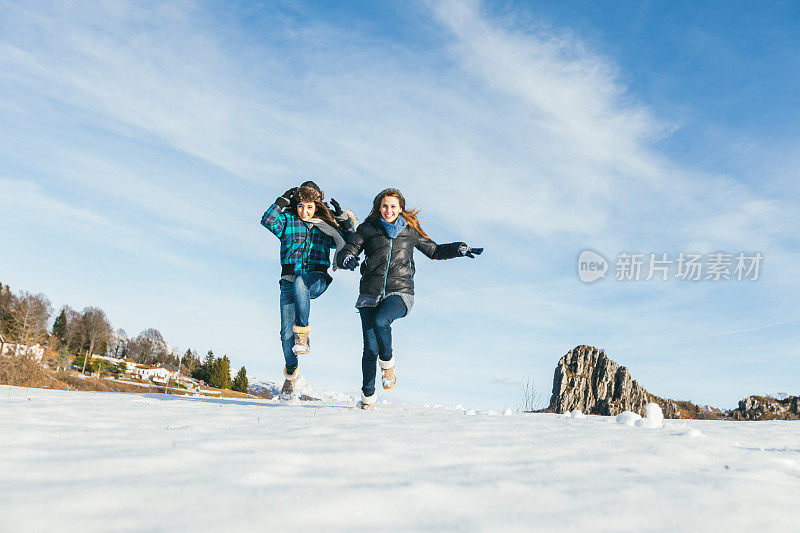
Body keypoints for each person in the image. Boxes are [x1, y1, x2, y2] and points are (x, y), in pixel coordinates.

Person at [336, 188, 483, 410]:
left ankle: (388, 364)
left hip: (401, 291)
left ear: (400, 208)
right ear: (379, 207)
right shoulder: (367, 229)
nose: (388, 210)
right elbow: (350, 248)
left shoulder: (410, 230)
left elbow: (435, 251)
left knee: (381, 322)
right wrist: (346, 258)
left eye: (393, 206)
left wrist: (459, 248)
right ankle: (368, 399)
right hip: (369, 293)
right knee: (369, 349)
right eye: (385, 206)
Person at [261, 181, 357, 397]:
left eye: (310, 207)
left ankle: (303, 334)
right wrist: (281, 201)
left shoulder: (325, 227)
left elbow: (350, 238)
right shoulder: (287, 221)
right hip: (288, 280)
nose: (305, 212)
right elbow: (267, 220)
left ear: (317, 206)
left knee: (301, 283)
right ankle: (292, 374)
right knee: (286, 335)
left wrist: (341, 218)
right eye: (301, 206)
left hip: (317, 278)